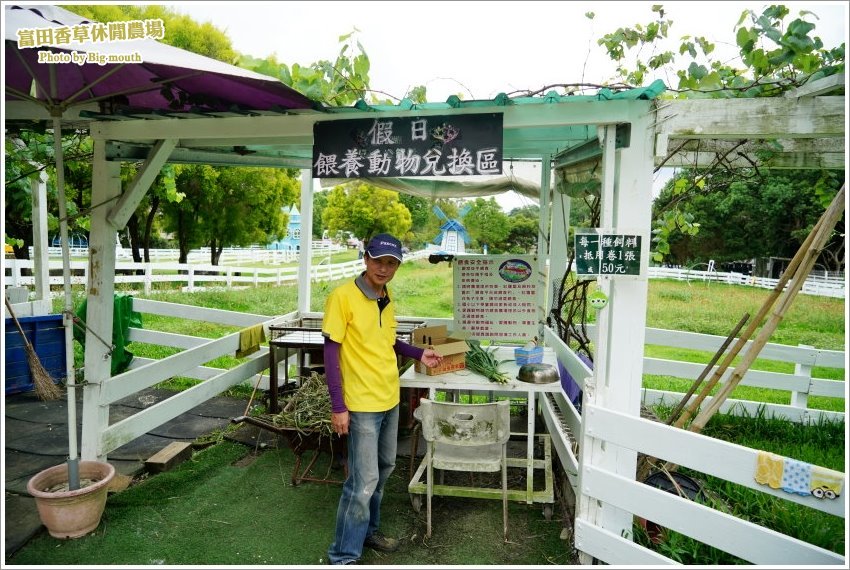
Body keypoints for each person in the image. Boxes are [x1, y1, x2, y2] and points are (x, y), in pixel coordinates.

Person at [323, 233, 442, 565]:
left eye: (391, 263)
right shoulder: (342, 297)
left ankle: (368, 532)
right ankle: (343, 555)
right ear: (365, 259)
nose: (384, 269)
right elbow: (330, 354)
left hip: (389, 398)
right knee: (362, 481)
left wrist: (420, 352)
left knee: (385, 468)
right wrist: (338, 406)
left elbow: (388, 343)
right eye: (378, 261)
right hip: (360, 404)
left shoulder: (385, 298)